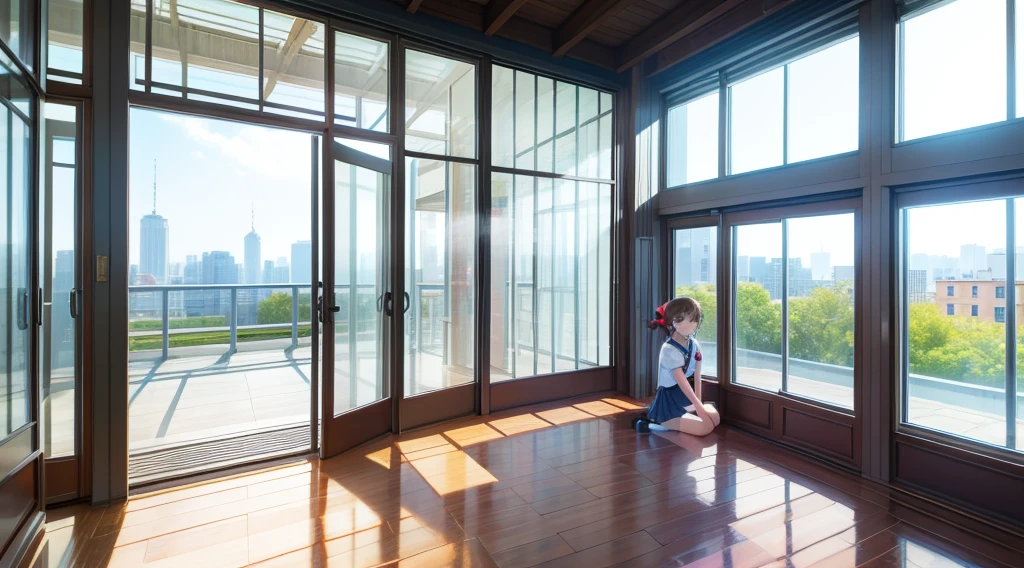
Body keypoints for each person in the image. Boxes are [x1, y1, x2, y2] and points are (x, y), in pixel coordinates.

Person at [633, 297, 721, 436]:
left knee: (715, 419)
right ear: (675, 322)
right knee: (706, 428)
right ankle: (654, 423)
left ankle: (683, 419)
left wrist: (698, 405)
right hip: (669, 402)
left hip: (686, 397)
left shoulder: (694, 344)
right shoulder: (669, 350)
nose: (695, 324)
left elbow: (697, 377)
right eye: (691, 319)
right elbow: (683, 383)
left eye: (696, 319)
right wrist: (699, 409)